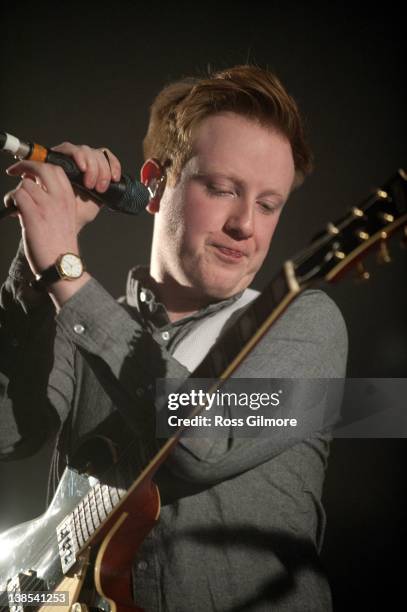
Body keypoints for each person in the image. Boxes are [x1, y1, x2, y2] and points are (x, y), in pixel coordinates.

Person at [0, 65, 347, 611]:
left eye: (268, 204)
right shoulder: (85, 319)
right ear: (156, 184)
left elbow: (205, 443)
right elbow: (8, 432)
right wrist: (32, 270)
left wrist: (66, 275)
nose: (245, 226)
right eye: (224, 189)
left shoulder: (304, 324)